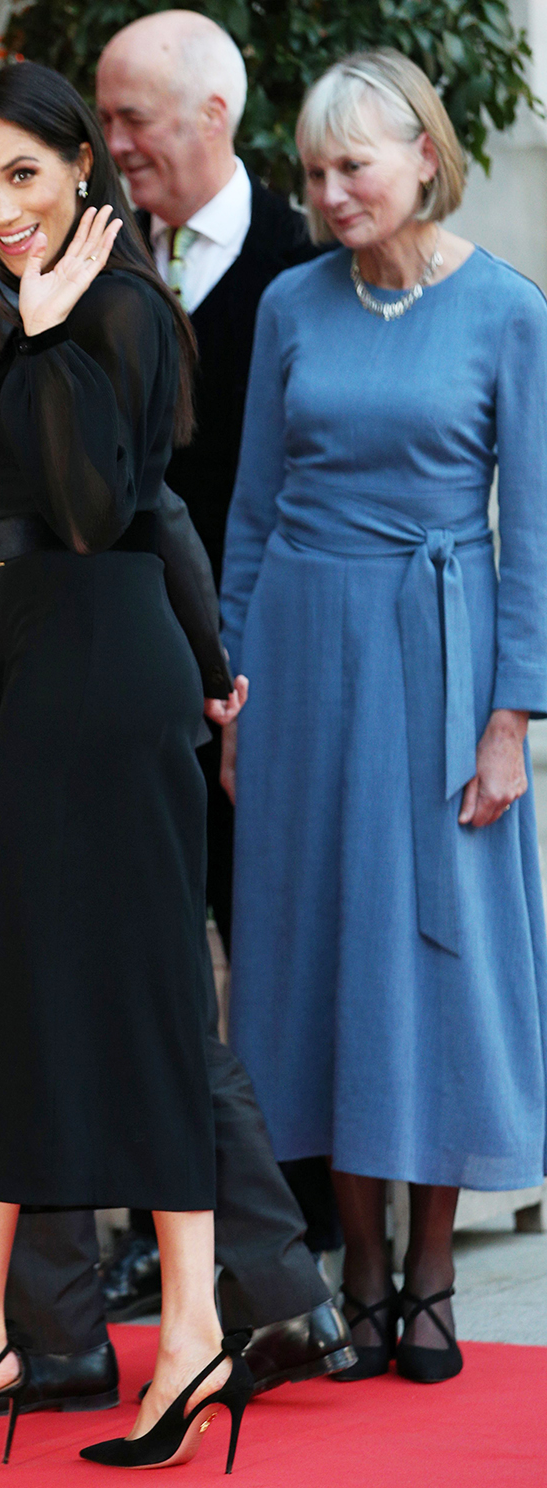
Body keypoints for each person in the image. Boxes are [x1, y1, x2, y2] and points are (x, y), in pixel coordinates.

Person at [0, 62, 353, 1408]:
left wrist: (203, 660)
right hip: (25, 686)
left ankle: (257, 1298)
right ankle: (62, 1329)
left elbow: (128, 511)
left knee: (126, 1005)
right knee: (40, 1002)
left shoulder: (84, 306)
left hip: (77, 693)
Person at [220, 48, 547, 1385]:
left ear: (424, 153)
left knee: (433, 961)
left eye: (353, 164)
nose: (331, 190)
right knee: (312, 957)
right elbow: (246, 514)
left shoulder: (508, 311)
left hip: (437, 652)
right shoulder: (293, 307)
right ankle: (352, 1270)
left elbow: (529, 535)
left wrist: (512, 719)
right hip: (300, 652)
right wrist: (233, 691)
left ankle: (428, 1275)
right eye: (313, 171)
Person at [95, 5, 342, 1322]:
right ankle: (162, 1222)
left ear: (214, 118)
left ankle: (288, 1233)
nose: (113, 142)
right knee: (146, 945)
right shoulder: (91, 266)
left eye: (134, 117)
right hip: (127, 672)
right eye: (107, 116)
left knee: (274, 935)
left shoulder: (306, 272)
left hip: (271, 669)